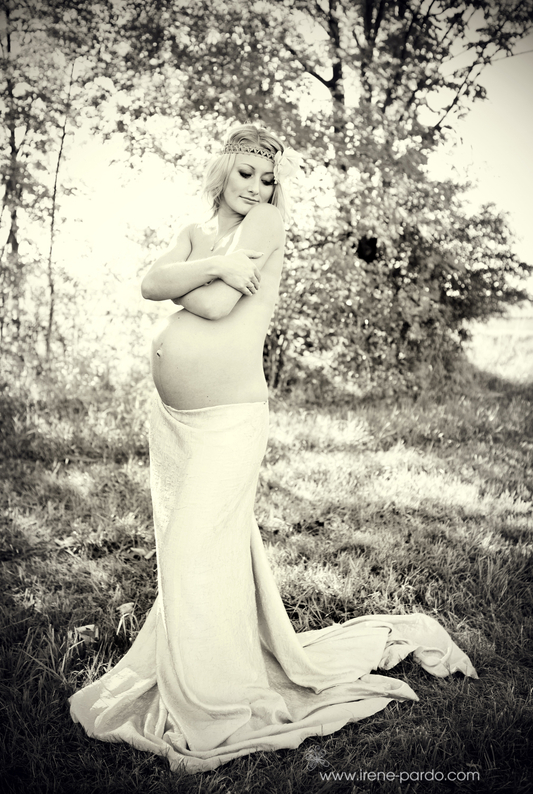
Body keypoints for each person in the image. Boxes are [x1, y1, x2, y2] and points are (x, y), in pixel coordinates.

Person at [69, 124, 477, 774]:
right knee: (197, 553)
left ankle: (213, 693)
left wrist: (194, 276)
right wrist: (213, 263)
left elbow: (209, 306)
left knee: (192, 547)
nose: (258, 187)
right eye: (246, 173)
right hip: (174, 419)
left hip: (229, 419)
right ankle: (213, 663)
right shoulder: (200, 232)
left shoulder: (264, 225)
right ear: (221, 172)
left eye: (268, 178)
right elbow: (150, 283)